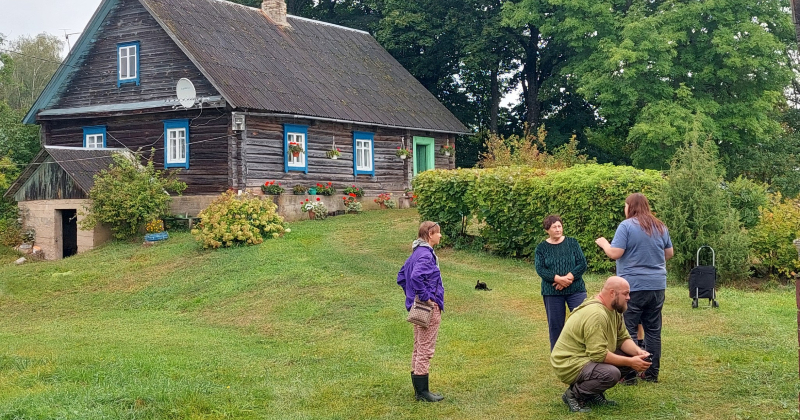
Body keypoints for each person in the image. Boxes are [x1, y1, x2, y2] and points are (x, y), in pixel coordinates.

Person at [595, 193, 673, 383]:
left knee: (627, 329)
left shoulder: (627, 225)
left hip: (632, 287)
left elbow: (615, 253)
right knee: (653, 330)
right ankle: (651, 373)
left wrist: (604, 243)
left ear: (630, 207)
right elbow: (669, 253)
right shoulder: (659, 226)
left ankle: (628, 375)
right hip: (656, 286)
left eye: (625, 205)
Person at [551, 276, 651, 413]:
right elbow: (598, 354)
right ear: (612, 293)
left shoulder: (614, 309)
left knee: (629, 355)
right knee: (611, 373)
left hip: (586, 357)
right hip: (569, 363)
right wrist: (630, 362)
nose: (629, 297)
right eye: (626, 293)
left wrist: (638, 353)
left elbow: (622, 338)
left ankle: (592, 393)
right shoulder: (596, 314)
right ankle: (573, 395)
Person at [397, 221, 445, 402]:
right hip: (427, 308)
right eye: (438, 233)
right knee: (425, 348)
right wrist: (426, 298)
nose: (440, 236)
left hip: (418, 307)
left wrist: (412, 298)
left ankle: (419, 390)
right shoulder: (426, 254)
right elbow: (415, 276)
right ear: (429, 234)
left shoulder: (416, 252)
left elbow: (402, 276)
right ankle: (423, 393)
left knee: (419, 346)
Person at [534, 215, 588, 351]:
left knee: (582, 321)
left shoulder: (572, 243)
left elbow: (582, 264)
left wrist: (568, 278)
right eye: (554, 227)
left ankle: (584, 351)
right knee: (556, 325)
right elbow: (540, 269)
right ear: (547, 230)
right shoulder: (541, 248)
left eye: (559, 226)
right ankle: (558, 356)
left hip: (576, 289)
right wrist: (557, 279)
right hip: (552, 292)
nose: (558, 229)